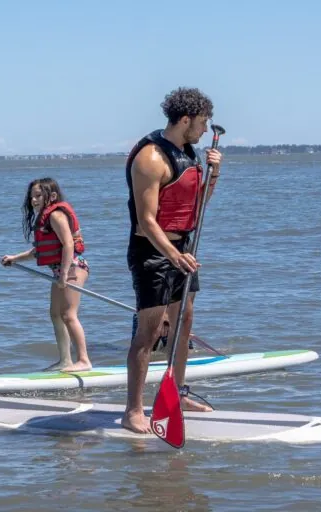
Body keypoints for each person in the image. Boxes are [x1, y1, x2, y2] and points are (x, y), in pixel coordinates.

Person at [121, 87, 224, 433]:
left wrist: (213, 179)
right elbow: (146, 221)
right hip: (153, 253)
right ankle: (133, 410)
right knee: (148, 334)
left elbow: (195, 209)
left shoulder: (189, 153)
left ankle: (177, 394)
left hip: (183, 249)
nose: (204, 128)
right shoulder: (150, 158)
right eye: (202, 122)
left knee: (183, 328)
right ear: (185, 120)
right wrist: (174, 255)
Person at [0, 177, 92, 372]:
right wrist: (14, 258)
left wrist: (64, 274)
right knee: (55, 314)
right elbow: (39, 251)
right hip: (62, 270)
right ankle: (65, 360)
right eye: (31, 196)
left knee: (68, 314)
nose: (34, 200)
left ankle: (84, 360)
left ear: (52, 196)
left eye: (38, 195)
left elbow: (68, 244)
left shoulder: (56, 215)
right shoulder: (45, 218)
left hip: (74, 267)